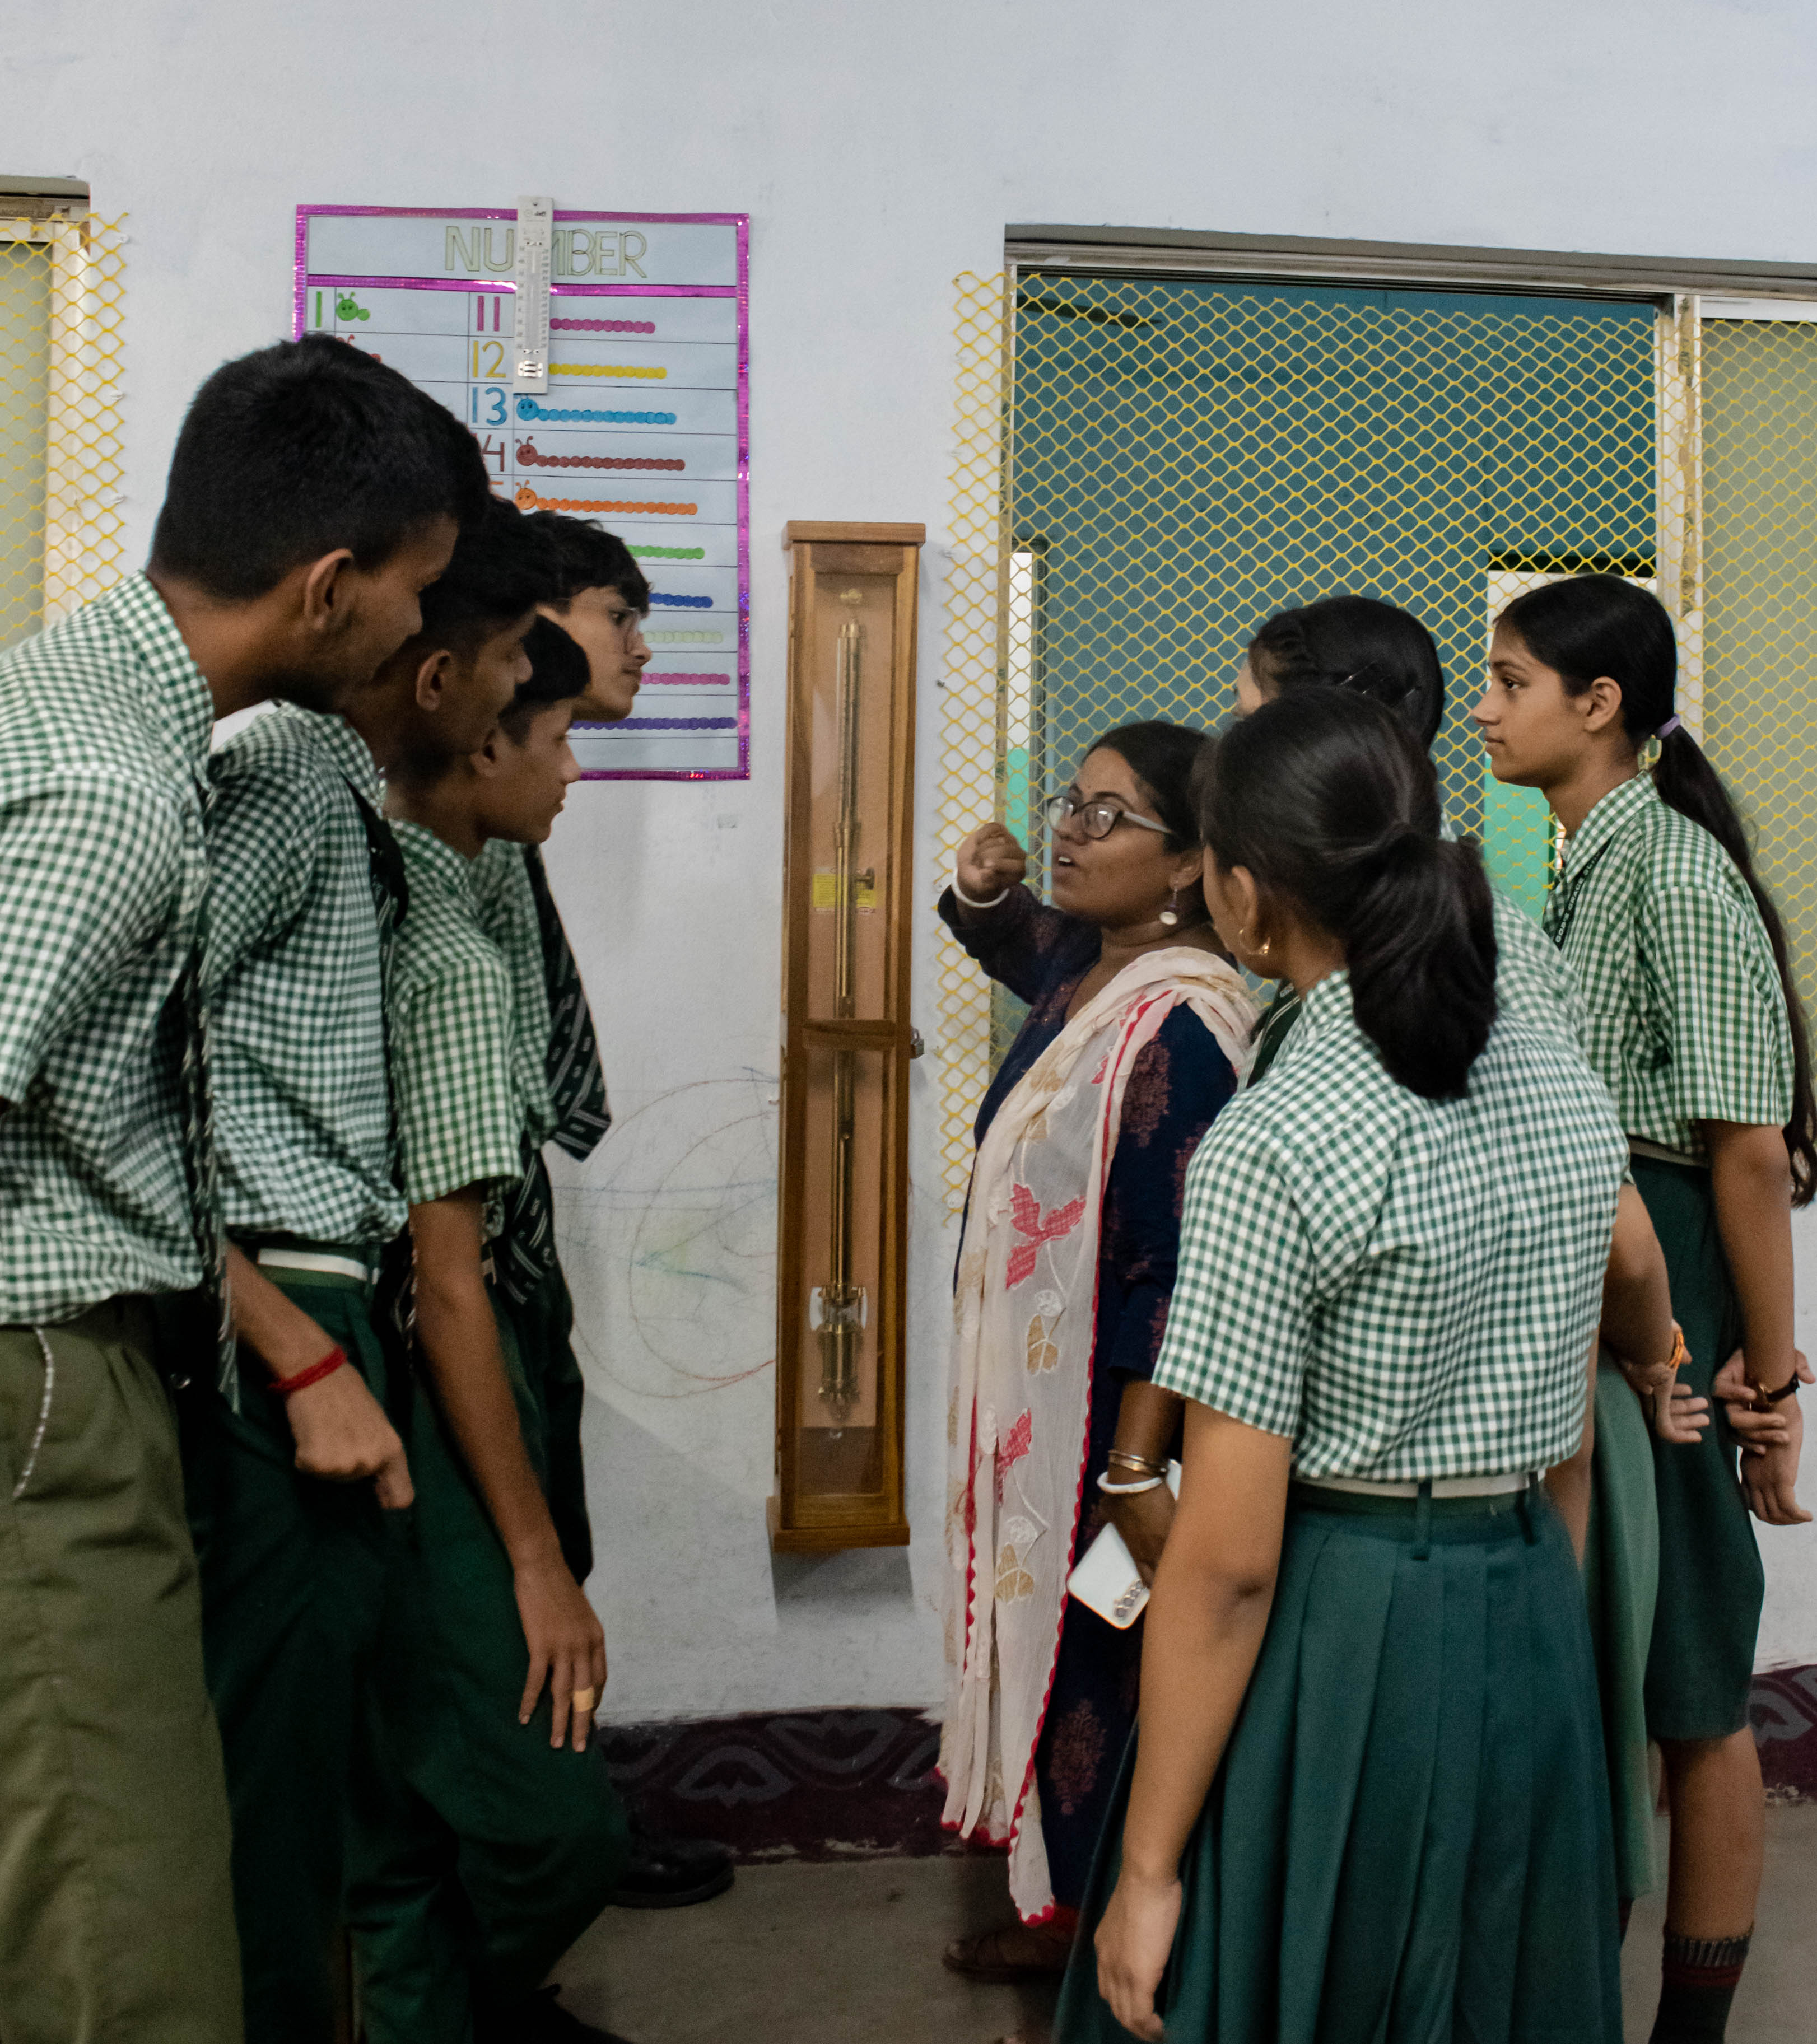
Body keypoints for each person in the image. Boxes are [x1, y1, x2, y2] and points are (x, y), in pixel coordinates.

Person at [0, 334, 477, 2044]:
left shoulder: (51, 695)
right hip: (40, 1364)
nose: (429, 638)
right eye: (420, 593)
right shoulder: (121, 795)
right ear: (333, 588)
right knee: (132, 1946)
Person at [1061, 689, 1631, 2044]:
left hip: (1343, 1625)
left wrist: (1144, 1873)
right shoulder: (1555, 1080)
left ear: (1244, 900)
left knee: (1299, 1973)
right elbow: (1569, 1446)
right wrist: (1551, 1639)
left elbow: (1230, 1560)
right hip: (1527, 1610)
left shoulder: (1278, 1137)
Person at [1229, 591, 1700, 1913]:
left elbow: (1615, 1231)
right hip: (1509, 1459)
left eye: (1257, 719)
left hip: (1456, 1487)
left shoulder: (1441, 948)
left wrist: (1655, 1355)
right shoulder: (1455, 909)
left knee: (1435, 1841)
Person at [190, 491, 554, 2043]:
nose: (500, 698)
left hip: (314, 1297)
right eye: (503, 658)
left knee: (326, 1773)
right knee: (274, 1796)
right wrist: (284, 1330)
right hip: (281, 1303)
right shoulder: (277, 773)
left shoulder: (352, 809)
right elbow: (140, 1048)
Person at [1477, 573, 1813, 2044]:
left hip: (1664, 1264)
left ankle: (1688, 2029)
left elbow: (1744, 1145)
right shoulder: (1584, 860)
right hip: (1612, 1275)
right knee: (1618, 1652)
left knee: (1687, 1682)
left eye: (1507, 680)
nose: (1483, 709)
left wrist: (1769, 1371)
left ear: (1595, 704)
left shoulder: (1670, 869)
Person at [351, 618, 636, 2044]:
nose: (577, 770)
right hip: (432, 1374)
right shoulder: (453, 950)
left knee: (402, 1813)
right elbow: (451, 1278)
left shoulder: (381, 875)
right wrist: (536, 1562)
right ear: (480, 743)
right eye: (559, 736)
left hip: (352, 1363)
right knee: (552, 1816)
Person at [938, 721, 1257, 1967]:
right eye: (1073, 799)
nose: (1071, 828)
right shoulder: (1094, 973)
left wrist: (1132, 1464)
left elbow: (1163, 1264)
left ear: (1186, 866)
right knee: (1074, 1643)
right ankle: (1064, 1899)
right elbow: (1012, 937)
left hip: (1106, 1425)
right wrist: (982, 887)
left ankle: (1112, 1910)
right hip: (1044, 1410)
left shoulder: (1179, 1026)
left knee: (1106, 1646)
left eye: (1109, 814)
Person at [475, 513, 734, 1909]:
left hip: (504, 1247)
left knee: (550, 1544)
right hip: (450, 1259)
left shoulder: (515, 795)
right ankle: (537, 1846)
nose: (639, 646)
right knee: (502, 1567)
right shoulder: (447, 798)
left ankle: (558, 1822)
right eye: (617, 613)